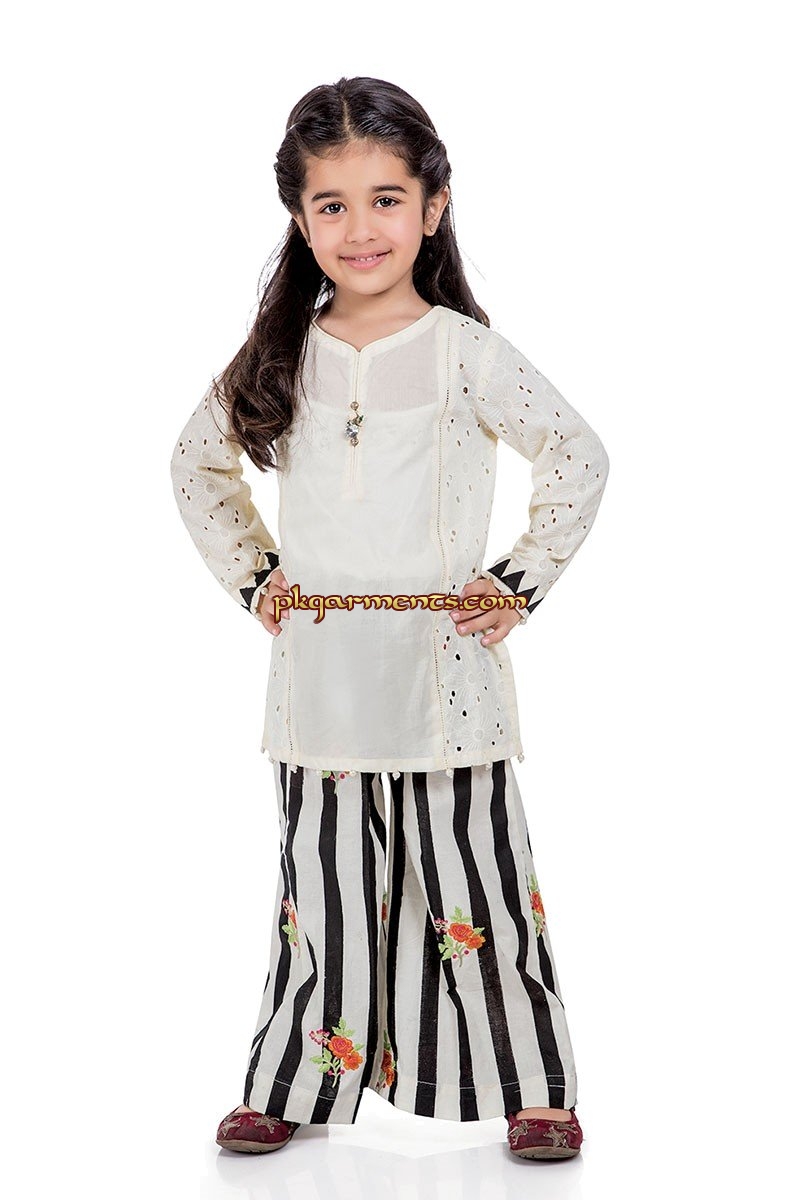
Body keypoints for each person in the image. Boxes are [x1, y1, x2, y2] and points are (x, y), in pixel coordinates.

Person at [170, 76, 609, 1162]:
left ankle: (529, 1088)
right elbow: (195, 465)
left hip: (443, 670)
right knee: (319, 893)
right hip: (320, 678)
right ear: (299, 215)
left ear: (432, 205)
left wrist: (515, 583)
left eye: (385, 199)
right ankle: (291, 1079)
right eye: (332, 204)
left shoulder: (465, 351)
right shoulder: (281, 355)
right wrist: (256, 579)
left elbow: (576, 455)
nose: (359, 228)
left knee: (477, 883)